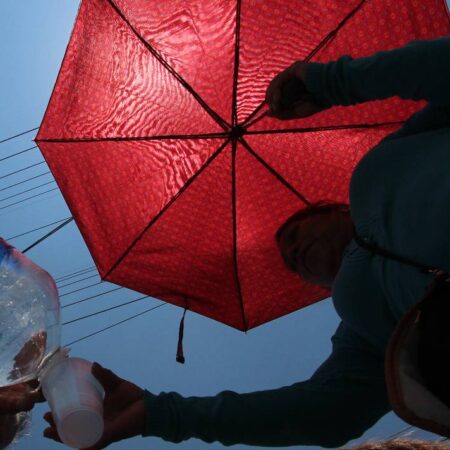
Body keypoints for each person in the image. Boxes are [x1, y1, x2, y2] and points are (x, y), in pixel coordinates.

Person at [43, 36, 450, 448]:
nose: (294, 257)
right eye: (293, 265)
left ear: (333, 209)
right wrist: (161, 413)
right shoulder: (365, 326)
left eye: (294, 236)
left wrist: (331, 82)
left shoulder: (378, 171)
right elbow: (325, 414)